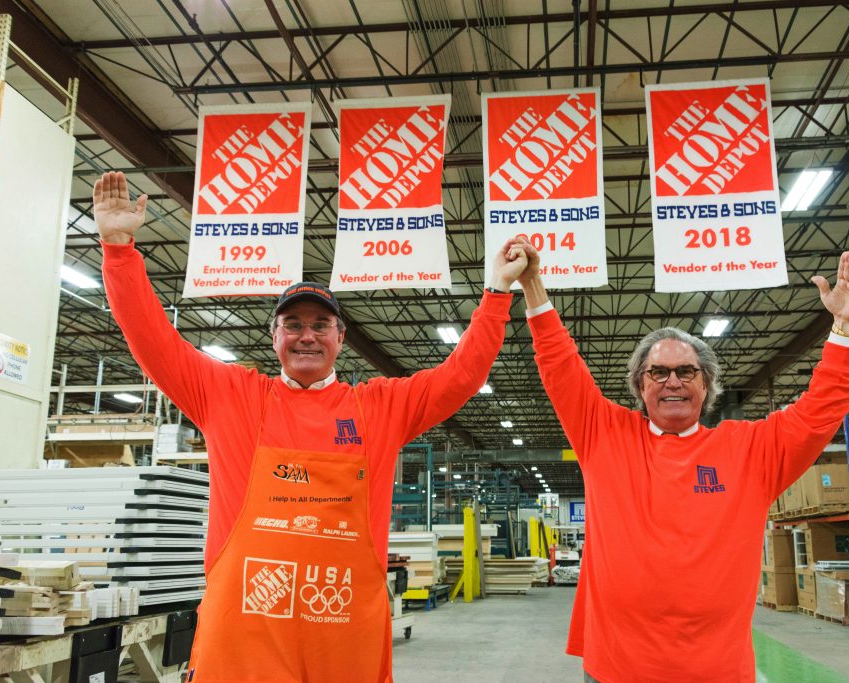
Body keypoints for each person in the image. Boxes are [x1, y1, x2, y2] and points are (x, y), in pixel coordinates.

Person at [92, 171, 529, 682]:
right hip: (244, 634)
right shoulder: (229, 395)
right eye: (293, 325)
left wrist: (497, 292)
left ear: (340, 337)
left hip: (342, 635)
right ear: (273, 334)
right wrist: (119, 249)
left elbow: (462, 376)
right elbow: (152, 340)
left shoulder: (379, 408)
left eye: (320, 326)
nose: (306, 337)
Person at [516, 242, 849, 682]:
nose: (672, 382)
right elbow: (559, 366)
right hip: (615, 667)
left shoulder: (750, 450)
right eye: (658, 373)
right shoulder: (604, 435)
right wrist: (532, 284)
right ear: (640, 386)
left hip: (715, 670)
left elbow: (820, 411)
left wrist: (845, 327)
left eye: (686, 371)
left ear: (707, 385)